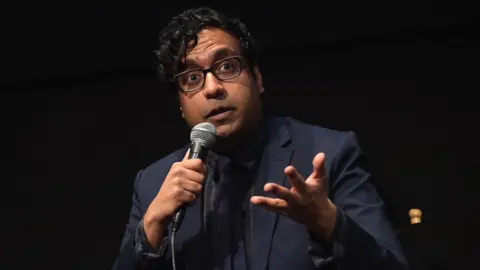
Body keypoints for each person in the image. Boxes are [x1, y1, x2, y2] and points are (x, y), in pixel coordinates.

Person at [112, 7, 408, 270]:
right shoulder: (153, 184)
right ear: (180, 103)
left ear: (258, 78)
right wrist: (150, 227)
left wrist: (330, 224)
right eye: (191, 78)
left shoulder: (329, 154)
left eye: (227, 66)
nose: (212, 88)